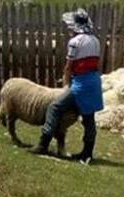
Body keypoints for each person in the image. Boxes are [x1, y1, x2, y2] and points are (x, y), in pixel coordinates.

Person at [28, 9, 103, 163]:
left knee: (54, 107)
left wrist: (66, 84)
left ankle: (44, 144)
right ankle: (87, 153)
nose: (69, 29)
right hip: (94, 82)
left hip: (80, 84)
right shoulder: (95, 40)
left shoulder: (75, 42)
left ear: (75, 26)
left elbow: (69, 66)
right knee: (89, 117)